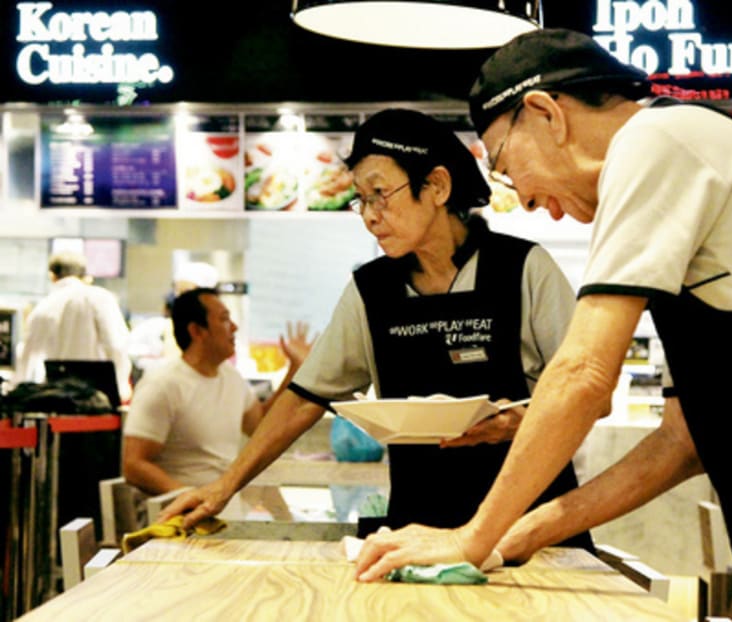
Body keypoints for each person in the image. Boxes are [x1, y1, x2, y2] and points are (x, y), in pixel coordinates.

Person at [352, 28, 732, 619]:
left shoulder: (657, 140)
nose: (523, 200)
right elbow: (680, 444)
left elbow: (583, 371)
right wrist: (517, 537)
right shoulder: (672, 186)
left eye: (504, 165)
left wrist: (470, 537)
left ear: (546, 113)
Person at [159, 108, 593, 550]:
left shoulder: (522, 268)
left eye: (380, 193)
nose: (369, 215)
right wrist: (224, 486)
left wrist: (520, 422)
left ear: (437, 186)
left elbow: (588, 394)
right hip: (418, 526)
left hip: (534, 527)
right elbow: (306, 397)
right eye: (361, 199)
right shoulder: (372, 289)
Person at [122, 288, 314, 495]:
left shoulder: (231, 377)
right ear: (197, 331)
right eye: (224, 320)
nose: (234, 327)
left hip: (222, 506)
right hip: (179, 517)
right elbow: (133, 465)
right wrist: (190, 497)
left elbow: (260, 425)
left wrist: (295, 369)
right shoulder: (163, 384)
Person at [11, 250, 132, 403]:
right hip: (99, 396)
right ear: (85, 276)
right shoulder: (99, 298)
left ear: (52, 276)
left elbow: (26, 359)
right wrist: (121, 387)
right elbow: (117, 345)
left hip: (59, 398)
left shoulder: (42, 307)